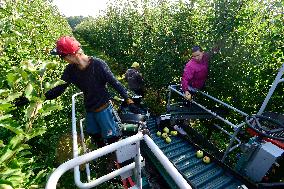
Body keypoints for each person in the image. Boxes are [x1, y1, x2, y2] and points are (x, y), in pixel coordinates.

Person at [45, 36, 134, 148]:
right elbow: (58, 89)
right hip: (90, 108)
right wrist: (39, 98)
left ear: (72, 55)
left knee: (112, 137)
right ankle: (104, 152)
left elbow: (114, 82)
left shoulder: (98, 65)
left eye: (62, 56)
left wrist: (128, 99)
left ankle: (118, 160)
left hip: (103, 109)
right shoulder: (70, 70)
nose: (62, 59)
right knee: (94, 133)